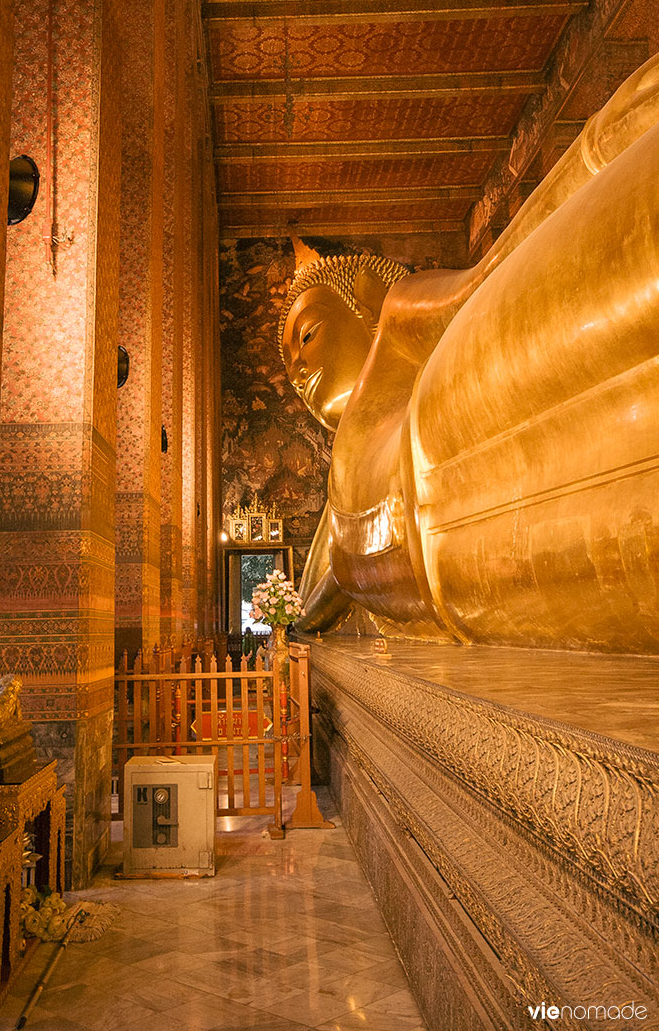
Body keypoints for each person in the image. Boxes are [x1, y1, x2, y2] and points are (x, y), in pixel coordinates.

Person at [280, 54, 659, 653]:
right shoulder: (337, 496)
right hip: (467, 568)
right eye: (289, 367)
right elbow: (325, 587)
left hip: (446, 418)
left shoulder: (401, 314)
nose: (298, 369)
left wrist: (606, 140)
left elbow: (490, 272)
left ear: (367, 300)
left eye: (306, 336)